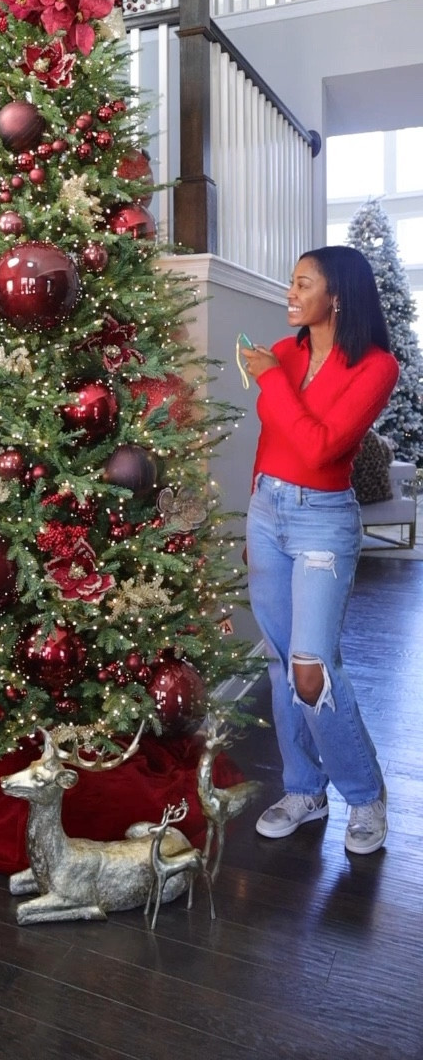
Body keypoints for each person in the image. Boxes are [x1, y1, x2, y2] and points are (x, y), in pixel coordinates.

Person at [241, 245, 399, 855]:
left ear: (336, 295)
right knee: (283, 663)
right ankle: (305, 789)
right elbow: (276, 441)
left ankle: (365, 796)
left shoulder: (376, 367)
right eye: (291, 281)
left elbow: (320, 450)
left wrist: (274, 382)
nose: (290, 292)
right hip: (268, 513)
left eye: (302, 283)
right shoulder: (286, 352)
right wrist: (258, 494)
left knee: (313, 668)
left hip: (322, 523)